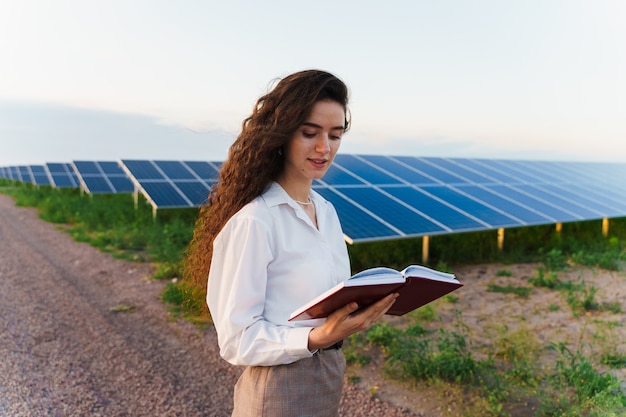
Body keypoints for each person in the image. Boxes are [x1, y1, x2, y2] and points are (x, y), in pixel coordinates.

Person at [185, 69, 398, 417]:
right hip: (277, 390)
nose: (324, 147)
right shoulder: (256, 221)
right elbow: (237, 340)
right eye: (309, 133)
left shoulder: (326, 213)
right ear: (282, 135)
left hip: (327, 375)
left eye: (335, 135)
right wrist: (316, 338)